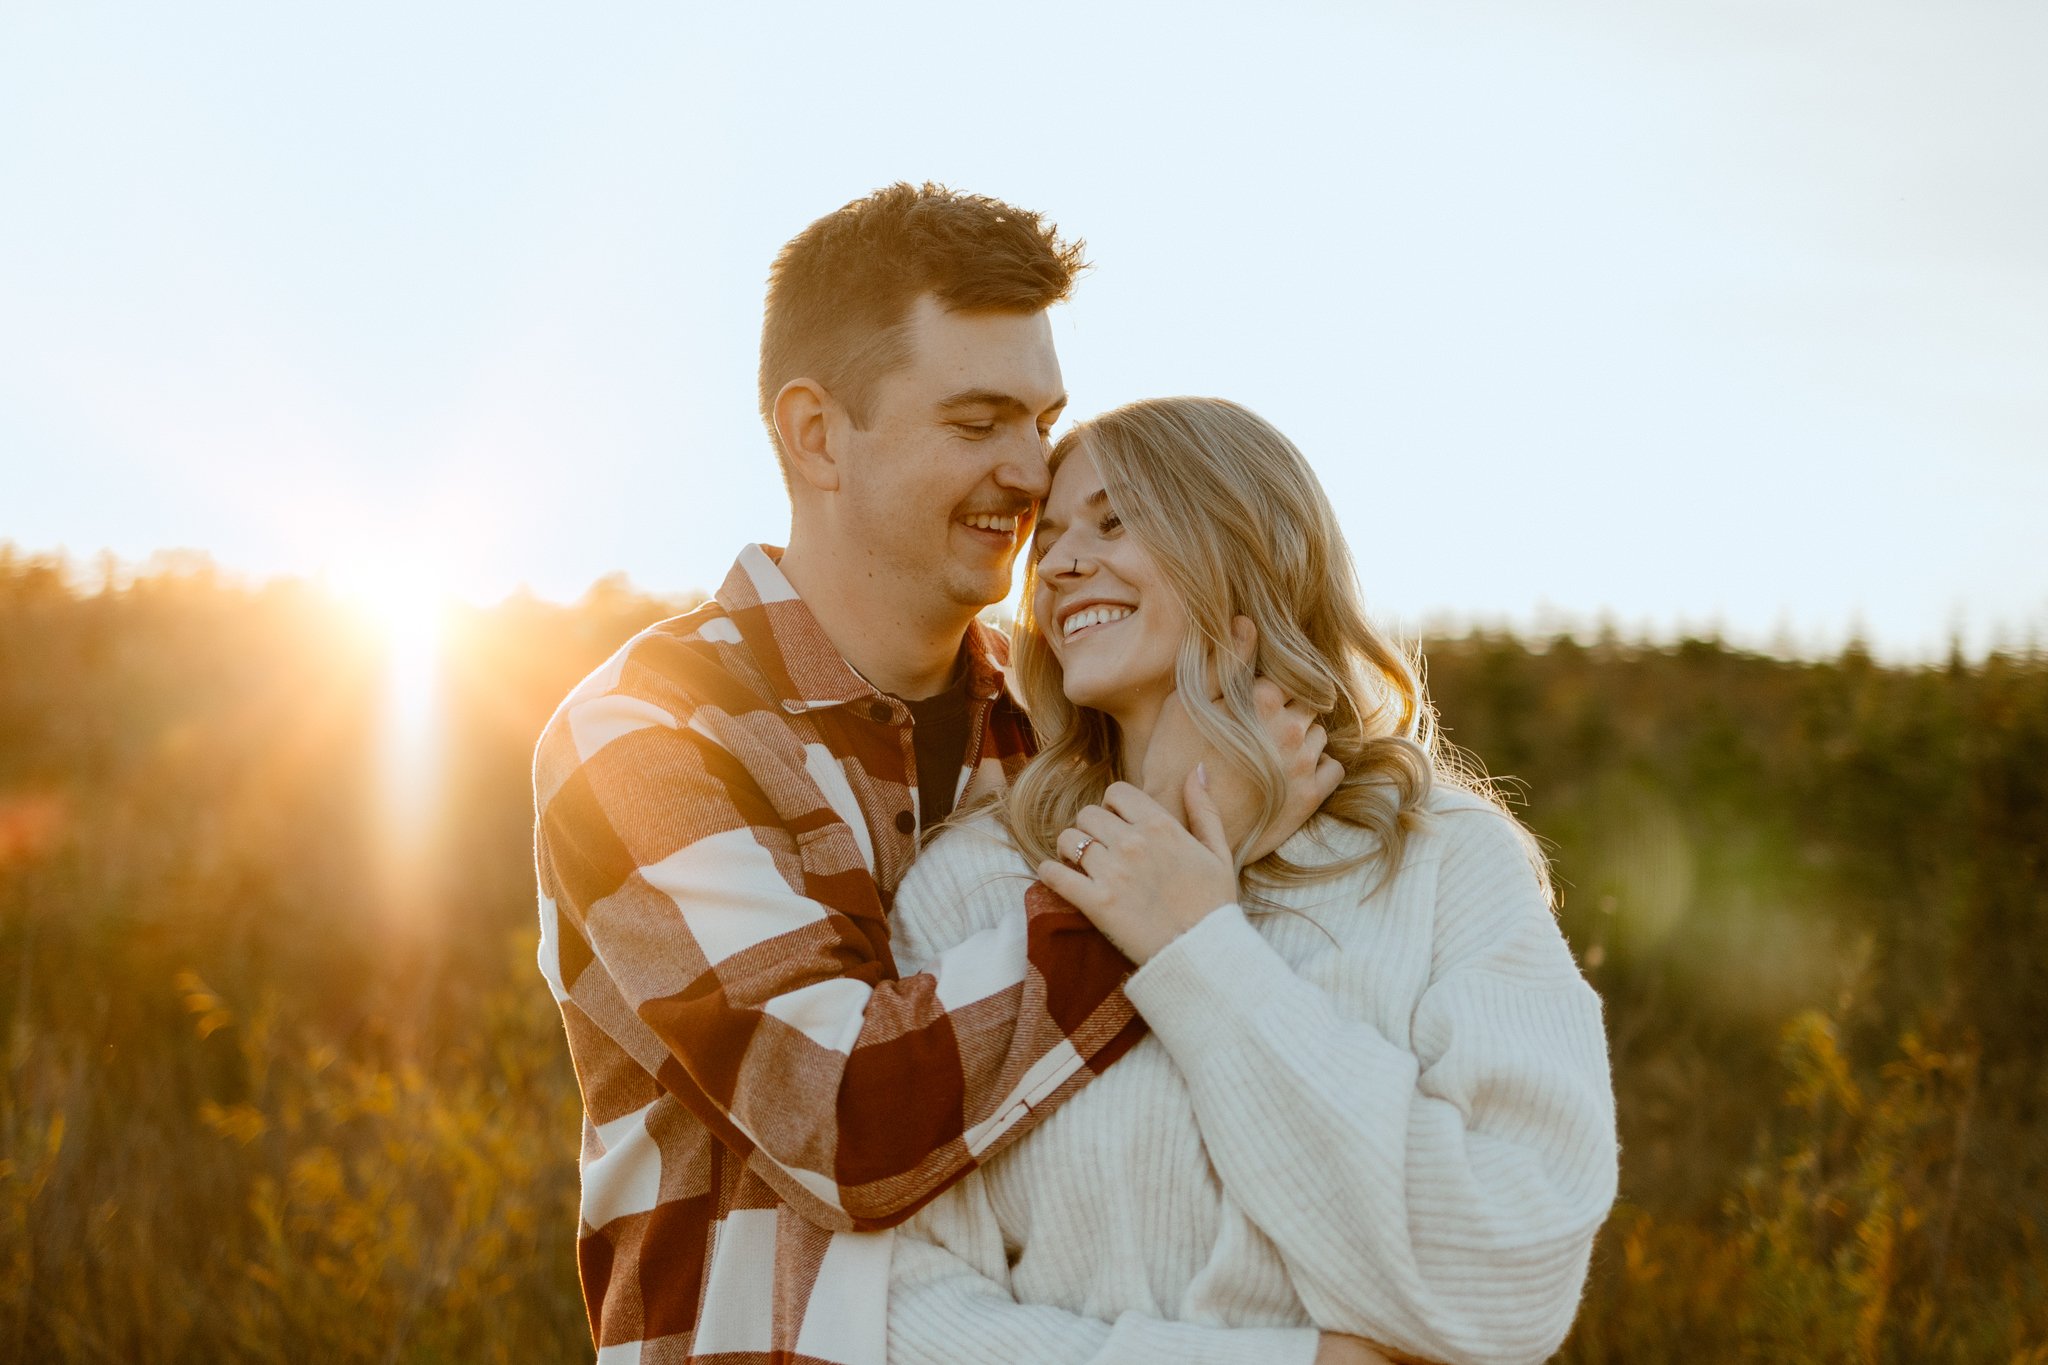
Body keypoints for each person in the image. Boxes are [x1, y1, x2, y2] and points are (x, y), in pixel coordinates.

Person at [531, 186, 1338, 1365]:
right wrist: (1168, 843)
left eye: (1041, 422)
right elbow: (837, 1115)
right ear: (815, 435)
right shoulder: (644, 739)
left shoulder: (1061, 715)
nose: (1032, 472)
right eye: (977, 423)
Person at [884, 398, 1620, 1365]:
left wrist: (1204, 953)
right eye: (1050, 537)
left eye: (1115, 520)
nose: (1059, 563)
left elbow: (1509, 1273)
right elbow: (901, 1305)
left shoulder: (1440, 856)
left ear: (1245, 547)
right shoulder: (973, 882)